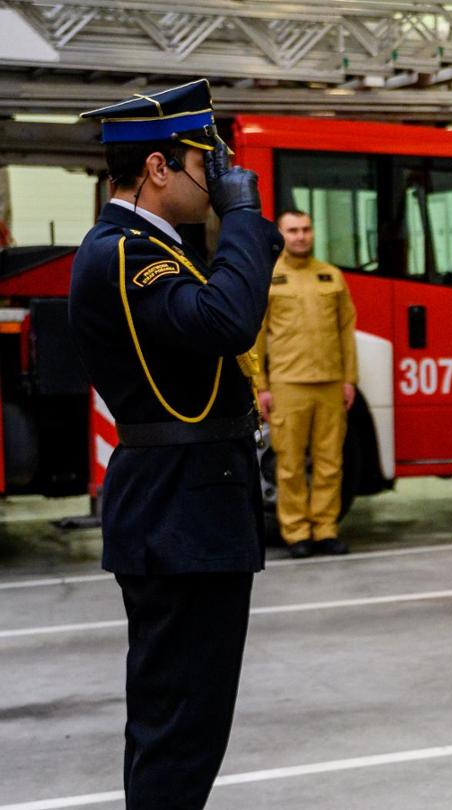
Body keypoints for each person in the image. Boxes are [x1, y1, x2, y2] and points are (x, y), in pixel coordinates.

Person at [69, 78, 281, 809]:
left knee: (186, 725)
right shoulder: (126, 254)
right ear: (158, 169)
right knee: (179, 732)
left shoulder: (151, 245)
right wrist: (245, 217)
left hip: (189, 511)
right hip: (178, 515)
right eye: (204, 159)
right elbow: (227, 320)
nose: (219, 173)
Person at [249, 209, 358, 558]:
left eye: (306, 229)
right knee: (290, 464)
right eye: (293, 230)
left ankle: (325, 530)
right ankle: (296, 534)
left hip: (329, 384)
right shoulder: (268, 278)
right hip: (287, 385)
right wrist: (261, 386)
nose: (301, 236)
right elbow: (257, 339)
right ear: (281, 235)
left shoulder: (331, 276)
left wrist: (349, 380)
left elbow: (346, 333)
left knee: (330, 463)